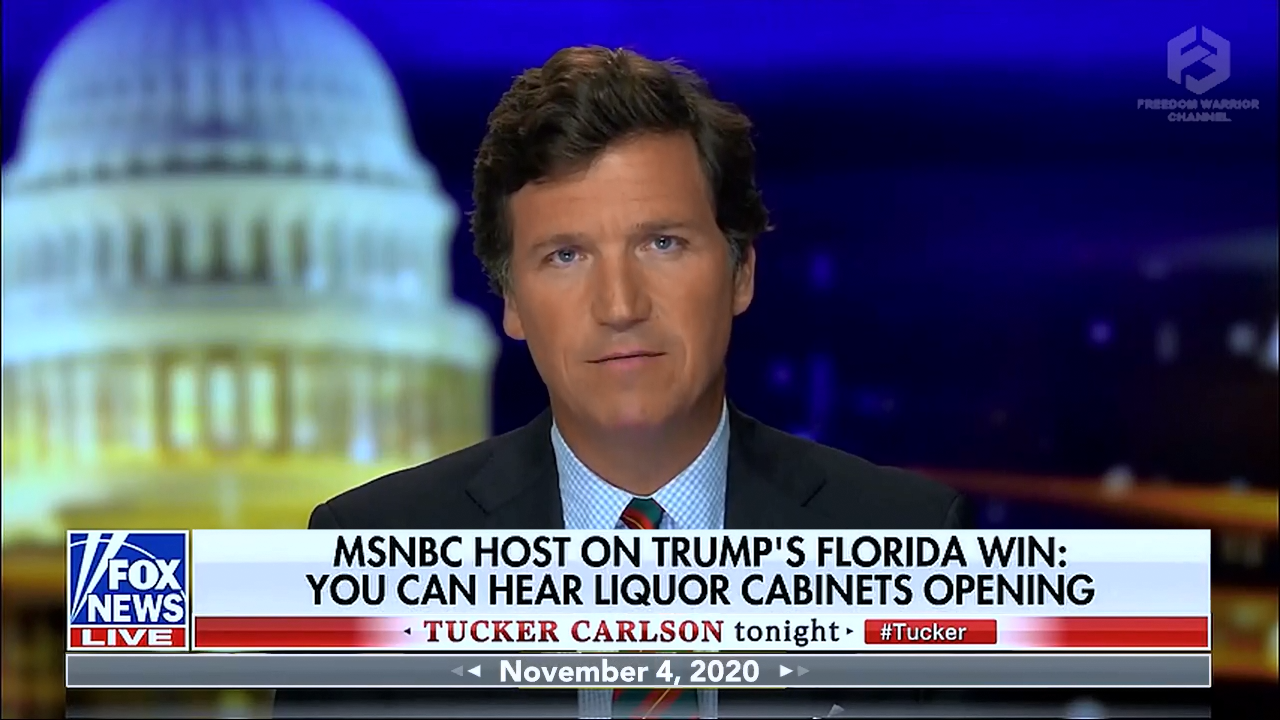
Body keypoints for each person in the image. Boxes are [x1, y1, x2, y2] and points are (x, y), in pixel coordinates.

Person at [274, 46, 969, 719]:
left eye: (662, 243)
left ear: (741, 273)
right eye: (566, 255)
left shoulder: (915, 545)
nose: (619, 305)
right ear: (512, 302)